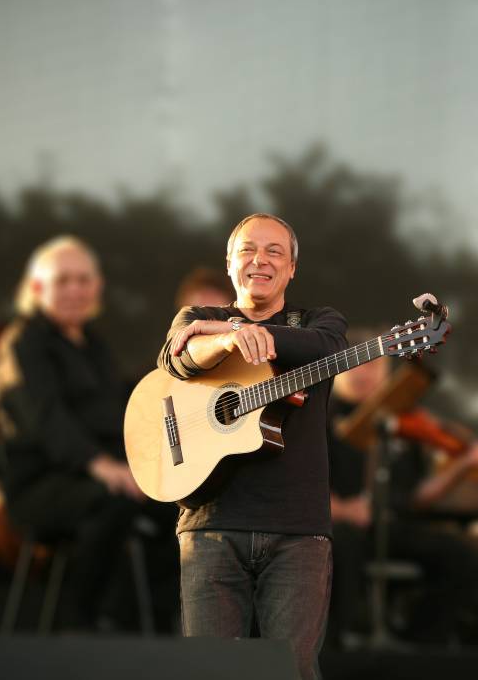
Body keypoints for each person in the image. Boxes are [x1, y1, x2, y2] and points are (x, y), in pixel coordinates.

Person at [159, 213, 347, 680]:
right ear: (229, 263)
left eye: (274, 252)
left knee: (293, 670)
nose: (259, 260)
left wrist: (259, 334)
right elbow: (177, 360)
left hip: (298, 533)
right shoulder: (197, 319)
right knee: (209, 671)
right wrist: (226, 334)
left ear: (291, 269)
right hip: (211, 526)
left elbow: (326, 347)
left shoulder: (320, 324)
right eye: (247, 250)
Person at [0, 236, 175, 631]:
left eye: (83, 279)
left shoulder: (94, 345)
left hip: (105, 475)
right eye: (63, 280)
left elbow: (123, 410)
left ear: (97, 287)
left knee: (185, 511)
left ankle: (148, 627)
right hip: (41, 483)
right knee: (113, 504)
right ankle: (80, 625)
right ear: (37, 288)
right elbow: (45, 419)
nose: (75, 289)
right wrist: (102, 467)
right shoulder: (22, 343)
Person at [327, 343, 478, 647]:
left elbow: (418, 497)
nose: (364, 373)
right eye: (356, 364)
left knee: (463, 558)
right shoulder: (320, 415)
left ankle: (418, 643)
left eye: (373, 366)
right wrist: (341, 509)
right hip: (339, 527)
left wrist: (464, 465)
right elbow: (299, 481)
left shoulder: (400, 421)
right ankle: (338, 645)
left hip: (393, 526)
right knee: (342, 546)